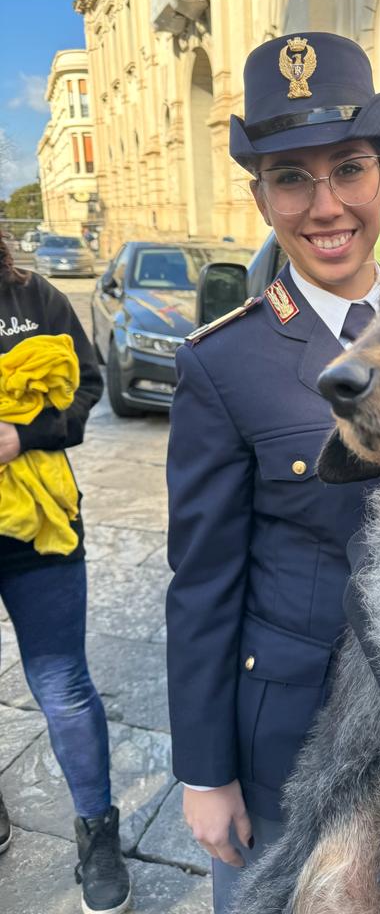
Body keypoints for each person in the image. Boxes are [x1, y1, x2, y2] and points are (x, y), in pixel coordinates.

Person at [165, 32, 380, 912]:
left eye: (348, 168)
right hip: (288, 744)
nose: (325, 204)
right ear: (261, 197)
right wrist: (205, 773)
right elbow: (202, 584)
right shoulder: (226, 364)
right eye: (292, 177)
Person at [0, 240, 131, 913]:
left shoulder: (34, 296)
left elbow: (85, 383)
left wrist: (23, 433)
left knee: (63, 685)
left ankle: (97, 833)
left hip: (41, 526)